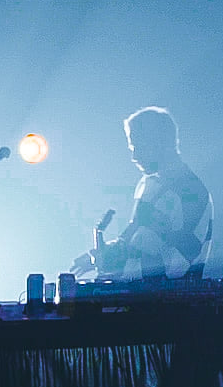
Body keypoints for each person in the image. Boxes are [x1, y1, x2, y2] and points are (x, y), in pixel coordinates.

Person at [77, 106, 213, 281]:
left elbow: (176, 265)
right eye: (132, 147)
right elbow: (133, 240)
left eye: (138, 147)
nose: (134, 156)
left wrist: (116, 265)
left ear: (161, 143)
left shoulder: (192, 193)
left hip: (171, 297)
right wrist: (101, 255)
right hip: (139, 294)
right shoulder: (148, 183)